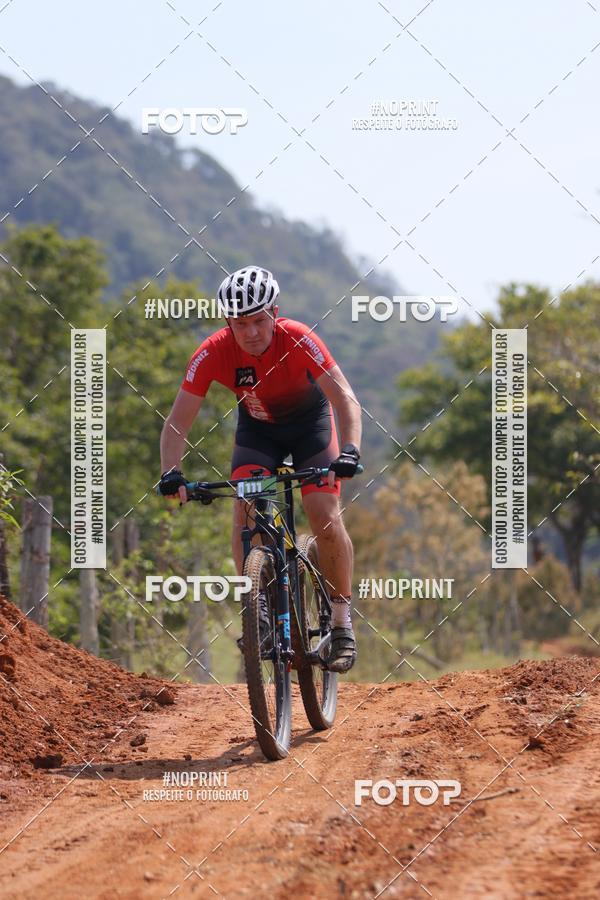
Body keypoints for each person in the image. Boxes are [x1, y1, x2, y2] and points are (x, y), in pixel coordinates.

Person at [158, 266, 362, 672]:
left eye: (258, 321)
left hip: (311, 430)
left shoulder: (299, 338)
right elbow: (178, 421)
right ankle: (259, 608)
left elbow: (346, 401)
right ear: (227, 323)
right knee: (245, 507)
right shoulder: (212, 352)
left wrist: (351, 449)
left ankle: (341, 622)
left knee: (323, 514)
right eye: (240, 323)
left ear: (275, 314)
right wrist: (171, 472)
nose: (250, 332)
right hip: (259, 432)